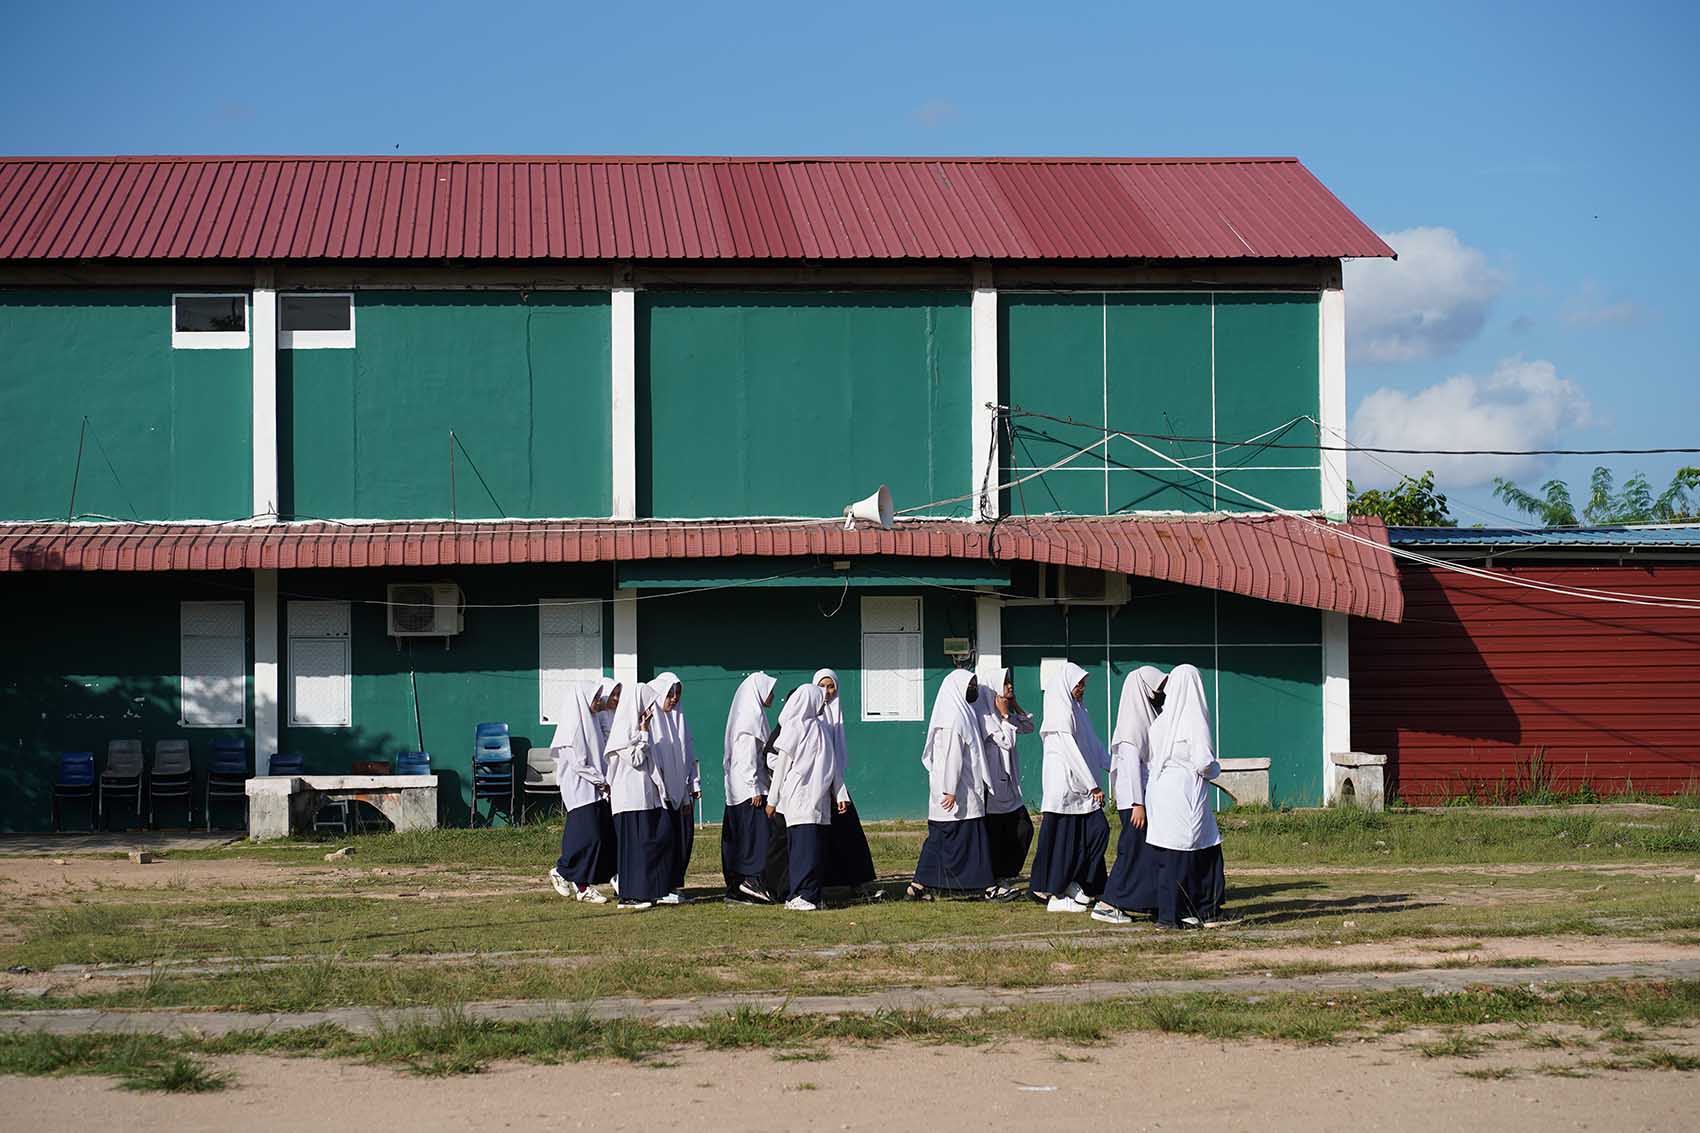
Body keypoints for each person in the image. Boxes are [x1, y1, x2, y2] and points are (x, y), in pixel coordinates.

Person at [908, 670, 1013, 901]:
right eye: (970, 685)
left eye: (974, 685)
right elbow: (951, 757)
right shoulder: (953, 718)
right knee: (960, 841)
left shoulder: (961, 712)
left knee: (941, 842)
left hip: (963, 791)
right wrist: (950, 790)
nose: (973, 689)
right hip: (958, 793)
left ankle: (917, 886)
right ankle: (986, 886)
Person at [1143, 664, 1228, 929]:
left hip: (1160, 791)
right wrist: (1217, 769)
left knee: (1170, 853)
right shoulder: (1194, 718)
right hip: (1185, 792)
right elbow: (1203, 762)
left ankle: (1171, 913)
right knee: (1199, 849)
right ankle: (1205, 908)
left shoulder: (1161, 720)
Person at [1028, 661, 1111, 913]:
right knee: (1065, 842)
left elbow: (1094, 746)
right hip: (1066, 789)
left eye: (1083, 684)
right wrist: (1094, 785)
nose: (1082, 688)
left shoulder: (1078, 711)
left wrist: (1114, 766)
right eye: (1078, 684)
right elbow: (1071, 752)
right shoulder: (1059, 712)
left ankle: (1079, 882)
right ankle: (1054, 891)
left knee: (1097, 832)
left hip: (1082, 790)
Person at [1093, 666, 1167, 924]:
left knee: (1144, 853)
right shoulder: (1131, 725)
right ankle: (1108, 903)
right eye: (1157, 688)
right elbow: (1131, 768)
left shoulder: (1147, 718)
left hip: (1143, 799)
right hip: (1135, 802)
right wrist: (1138, 803)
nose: (1161, 693)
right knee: (1132, 851)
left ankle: (1143, 900)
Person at [766, 683, 838, 911]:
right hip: (799, 798)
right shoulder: (793, 728)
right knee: (802, 851)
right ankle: (800, 894)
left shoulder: (822, 728)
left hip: (819, 800)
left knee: (815, 851)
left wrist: (839, 794)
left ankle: (811, 894)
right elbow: (781, 767)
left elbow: (833, 767)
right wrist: (772, 800)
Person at [548, 678, 620, 903]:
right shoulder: (574, 726)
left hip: (595, 789)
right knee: (588, 838)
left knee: (599, 837)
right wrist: (601, 780)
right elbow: (579, 764)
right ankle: (562, 871)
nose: (600, 702)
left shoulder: (592, 721)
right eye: (596, 697)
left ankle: (583, 886)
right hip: (580, 790)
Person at [813, 668, 878, 895]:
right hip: (818, 786)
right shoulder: (813, 714)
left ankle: (857, 883)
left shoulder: (835, 715)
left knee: (848, 834)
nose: (827, 692)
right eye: (822, 686)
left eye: (831, 687)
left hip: (836, 783)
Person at [605, 681, 669, 911]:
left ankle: (645, 890)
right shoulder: (623, 732)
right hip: (629, 801)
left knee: (648, 844)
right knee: (635, 847)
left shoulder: (639, 731)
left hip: (644, 799)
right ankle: (631, 894)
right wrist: (643, 733)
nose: (650, 712)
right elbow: (636, 759)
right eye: (647, 706)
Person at [976, 663, 1035, 888]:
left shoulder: (1005, 715)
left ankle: (1007, 872)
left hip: (1009, 787)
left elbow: (1029, 726)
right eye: (1005, 684)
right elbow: (1007, 742)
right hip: (993, 788)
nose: (1010, 686)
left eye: (1010, 682)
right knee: (997, 836)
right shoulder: (987, 719)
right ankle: (994, 876)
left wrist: (1015, 706)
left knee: (1023, 829)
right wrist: (1003, 715)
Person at [721, 671, 778, 904]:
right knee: (756, 837)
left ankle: (736, 886)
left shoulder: (750, 715)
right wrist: (754, 786)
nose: (773, 695)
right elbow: (747, 757)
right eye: (770, 690)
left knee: (743, 837)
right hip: (749, 791)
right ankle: (751, 880)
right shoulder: (750, 719)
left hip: (740, 790)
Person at [646, 672, 699, 905]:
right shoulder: (651, 720)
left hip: (680, 793)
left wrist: (692, 784)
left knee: (681, 840)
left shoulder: (678, 719)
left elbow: (689, 753)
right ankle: (659, 886)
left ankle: (673, 883)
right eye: (670, 693)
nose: (674, 698)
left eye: (677, 693)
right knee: (663, 840)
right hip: (659, 793)